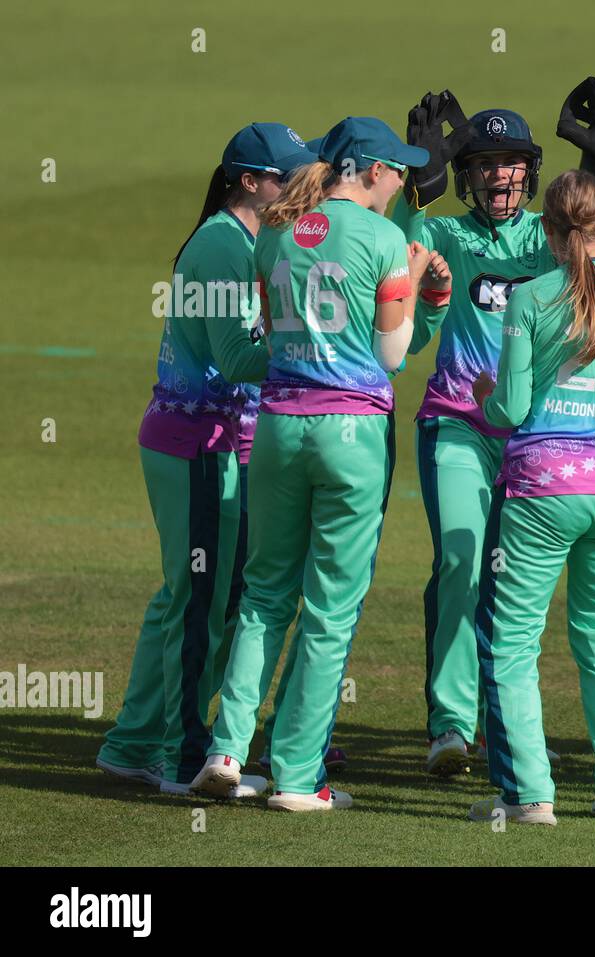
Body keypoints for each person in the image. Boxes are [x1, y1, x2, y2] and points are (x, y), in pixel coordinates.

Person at [392, 79, 595, 776]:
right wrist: (418, 190)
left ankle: (536, 735)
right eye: (482, 164)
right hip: (459, 425)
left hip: (540, 442)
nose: (498, 175)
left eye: (510, 163)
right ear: (467, 176)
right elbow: (398, 262)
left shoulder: (549, 240)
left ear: (529, 174)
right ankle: (450, 722)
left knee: (529, 589)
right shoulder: (445, 233)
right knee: (460, 562)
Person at [191, 116, 433, 811]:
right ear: (370, 170)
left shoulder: (274, 232)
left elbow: (268, 329)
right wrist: (415, 282)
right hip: (353, 432)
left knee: (265, 593)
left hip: (278, 427)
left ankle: (227, 748)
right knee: (329, 606)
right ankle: (297, 775)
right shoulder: (386, 239)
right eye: (398, 170)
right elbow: (392, 355)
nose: (403, 182)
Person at [96, 123, 316, 800]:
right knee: (197, 600)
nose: (303, 190)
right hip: (197, 446)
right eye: (289, 179)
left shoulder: (245, 240)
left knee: (197, 598)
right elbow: (238, 357)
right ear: (250, 182)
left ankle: (132, 743)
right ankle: (178, 754)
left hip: (210, 443)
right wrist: (312, 344)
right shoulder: (223, 244)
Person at [466, 169, 595, 825]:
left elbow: (511, 407)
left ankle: (531, 793)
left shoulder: (529, 298)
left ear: (552, 232)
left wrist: (482, 397)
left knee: (514, 643)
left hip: (543, 489)